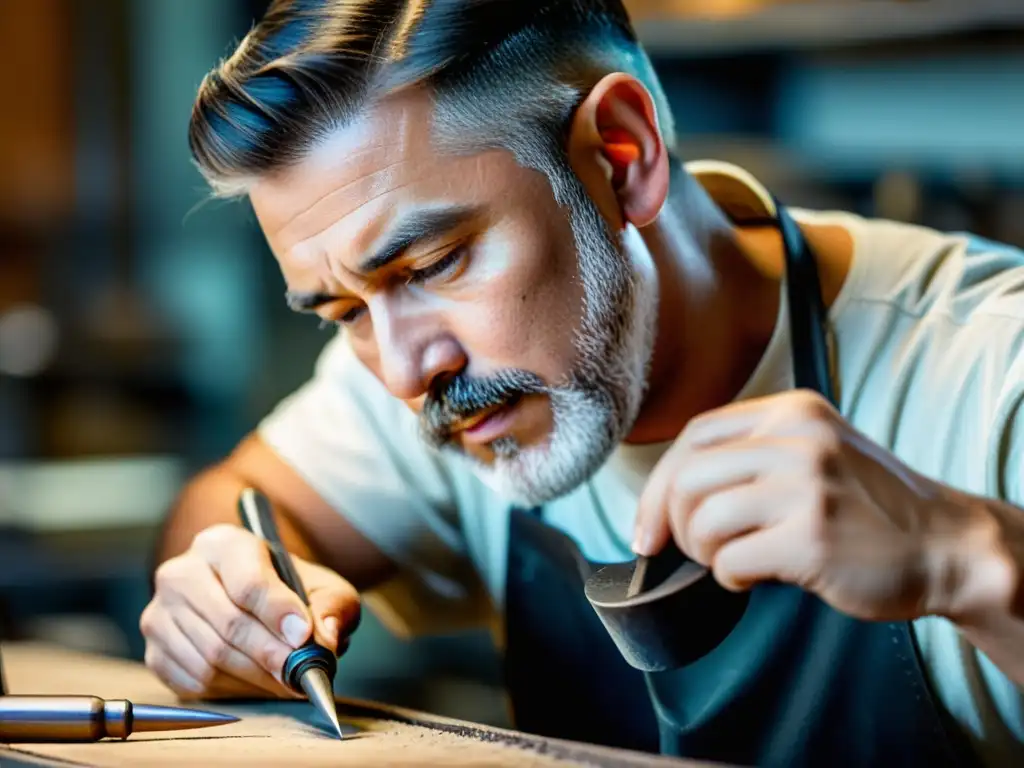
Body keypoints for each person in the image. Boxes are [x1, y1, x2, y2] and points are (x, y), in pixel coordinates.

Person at [140, 1, 1024, 766]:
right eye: (342, 311)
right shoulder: (446, 366)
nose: (408, 372)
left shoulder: (988, 372)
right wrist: (228, 596)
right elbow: (238, 498)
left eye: (438, 262)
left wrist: (968, 563)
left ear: (622, 153)